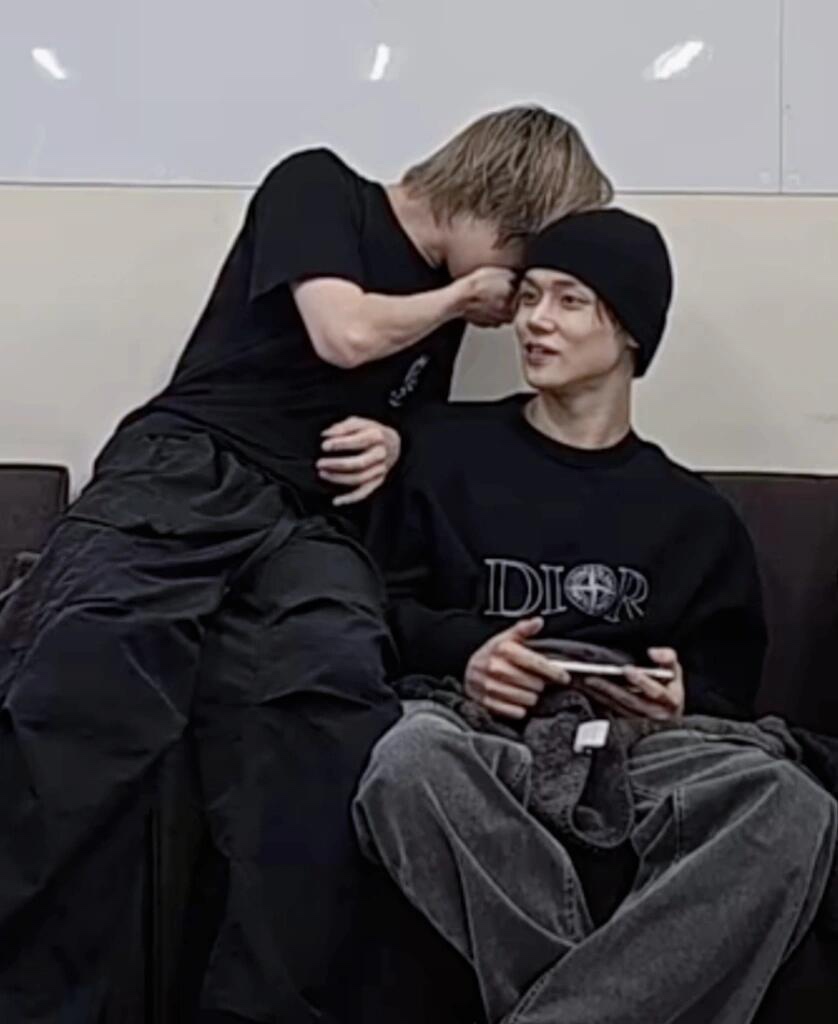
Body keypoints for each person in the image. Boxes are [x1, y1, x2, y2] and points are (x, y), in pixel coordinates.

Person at [0, 107, 613, 1024]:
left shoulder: (445, 302)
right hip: (190, 468)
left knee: (328, 704)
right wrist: (456, 299)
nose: (513, 290)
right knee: (89, 675)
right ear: (497, 202)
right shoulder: (322, 188)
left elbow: (392, 407)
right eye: (520, 257)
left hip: (313, 524)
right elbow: (342, 334)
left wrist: (395, 443)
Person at [354, 209, 838, 1024]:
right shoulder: (441, 452)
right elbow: (376, 606)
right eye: (529, 296)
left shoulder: (694, 518)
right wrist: (470, 654)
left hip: (635, 752)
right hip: (480, 735)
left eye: (570, 300)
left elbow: (727, 690)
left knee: (788, 803)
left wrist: (679, 701)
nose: (535, 321)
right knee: (405, 762)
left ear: (632, 331)